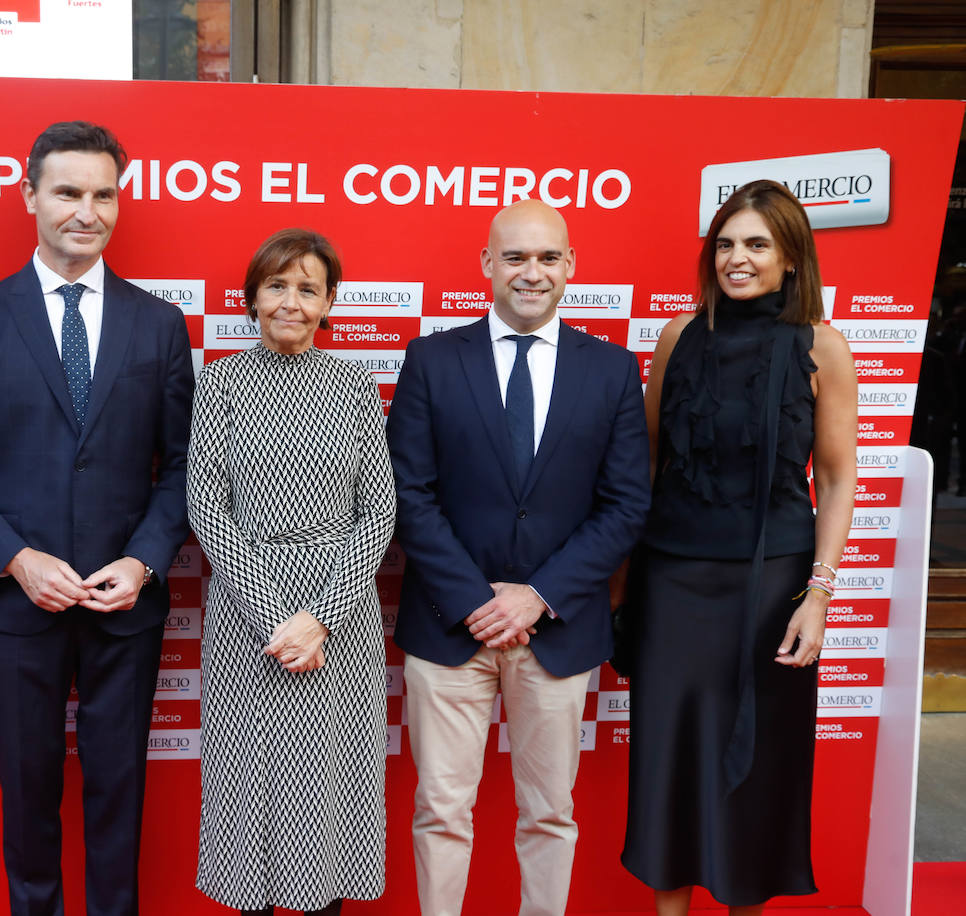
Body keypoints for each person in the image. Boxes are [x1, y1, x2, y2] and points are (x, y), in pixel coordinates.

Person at [0, 120, 194, 916]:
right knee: (27, 797)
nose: (87, 210)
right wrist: (14, 558)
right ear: (30, 195)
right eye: (68, 191)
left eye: (104, 193)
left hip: (123, 607)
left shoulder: (159, 325)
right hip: (15, 607)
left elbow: (182, 466)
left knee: (120, 797)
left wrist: (142, 562)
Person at [386, 199, 650, 916]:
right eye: (514, 257)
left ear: (570, 266)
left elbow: (627, 504)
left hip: (558, 631)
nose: (530, 273)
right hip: (449, 628)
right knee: (441, 810)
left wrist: (537, 596)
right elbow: (409, 495)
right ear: (485, 264)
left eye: (547, 257)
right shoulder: (433, 360)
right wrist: (477, 600)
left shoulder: (614, 371)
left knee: (549, 812)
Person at [621, 179, 857, 913]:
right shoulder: (678, 338)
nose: (737, 258)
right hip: (673, 585)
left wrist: (818, 594)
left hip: (771, 589)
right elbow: (649, 467)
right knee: (669, 764)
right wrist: (623, 588)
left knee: (754, 771)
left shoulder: (823, 346)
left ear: (791, 258)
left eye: (756, 244)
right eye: (725, 243)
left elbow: (839, 476)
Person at [188, 228, 396, 916]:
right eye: (277, 285)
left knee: (325, 797)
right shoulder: (219, 384)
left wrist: (321, 619)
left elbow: (379, 513)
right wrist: (277, 616)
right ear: (252, 297)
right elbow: (205, 506)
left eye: (308, 288)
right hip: (250, 619)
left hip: (339, 616)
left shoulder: (354, 385)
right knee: (251, 792)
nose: (291, 302)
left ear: (329, 301)